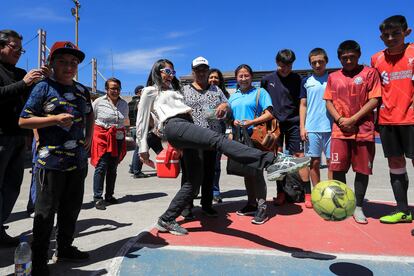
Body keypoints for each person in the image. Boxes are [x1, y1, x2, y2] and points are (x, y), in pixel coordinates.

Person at [136, 58, 310, 236]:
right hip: (173, 126)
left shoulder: (176, 90)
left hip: (187, 129)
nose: (170, 74)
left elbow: (204, 110)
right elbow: (141, 121)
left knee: (194, 181)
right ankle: (273, 161)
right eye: (166, 71)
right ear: (157, 72)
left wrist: (184, 140)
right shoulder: (151, 91)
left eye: (172, 71)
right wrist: (143, 149)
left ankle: (167, 218)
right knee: (218, 141)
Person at [19, 41, 93, 275]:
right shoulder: (43, 87)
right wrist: (53, 119)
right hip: (50, 163)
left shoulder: (82, 90)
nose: (69, 66)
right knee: (45, 213)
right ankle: (39, 260)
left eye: (73, 63)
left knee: (71, 210)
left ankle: (64, 248)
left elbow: (90, 113)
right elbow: (23, 120)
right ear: (52, 63)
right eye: (62, 62)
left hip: (77, 161)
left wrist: (89, 137)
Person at [324, 40, 381, 224]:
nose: (348, 61)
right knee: (338, 169)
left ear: (358, 55)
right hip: (340, 130)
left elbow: (374, 100)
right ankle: (342, 205)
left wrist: (353, 119)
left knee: (362, 170)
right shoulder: (333, 76)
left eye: (351, 57)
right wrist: (340, 120)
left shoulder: (369, 73)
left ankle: (358, 207)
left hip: (363, 129)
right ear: (339, 58)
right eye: (344, 58)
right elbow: (329, 101)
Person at [0, 29, 47, 247]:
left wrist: (41, 80)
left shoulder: (19, 73)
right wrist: (24, 83)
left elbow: (29, 103)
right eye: (14, 47)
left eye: (21, 48)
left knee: (12, 186)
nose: (19, 52)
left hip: (18, 137)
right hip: (1, 137)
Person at [371, 15, 414, 225]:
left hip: (412, 119)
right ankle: (403, 210)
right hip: (387, 120)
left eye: (396, 33)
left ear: (407, 32)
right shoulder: (376, 59)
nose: (391, 38)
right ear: (381, 37)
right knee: (395, 164)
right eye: (386, 35)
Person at [261, 49, 312, 207]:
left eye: (289, 65)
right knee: (277, 158)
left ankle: (308, 194)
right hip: (274, 123)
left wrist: (304, 124)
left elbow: (302, 103)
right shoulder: (267, 79)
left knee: (299, 155)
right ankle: (280, 193)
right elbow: (263, 102)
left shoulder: (298, 79)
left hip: (294, 122)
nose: (285, 68)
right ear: (277, 63)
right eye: (282, 65)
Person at [181, 57, 229, 219]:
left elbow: (227, 105)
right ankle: (186, 205)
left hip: (211, 138)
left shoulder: (216, 90)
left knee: (209, 173)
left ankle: (207, 205)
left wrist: (224, 106)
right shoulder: (184, 90)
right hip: (191, 139)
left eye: (204, 70)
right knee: (189, 174)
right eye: (198, 70)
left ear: (208, 71)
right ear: (193, 72)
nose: (201, 73)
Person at [229, 64, 274, 224]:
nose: (243, 78)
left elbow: (269, 113)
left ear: (251, 77)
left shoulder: (260, 93)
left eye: (246, 75)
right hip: (240, 139)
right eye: (240, 76)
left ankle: (262, 207)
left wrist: (252, 122)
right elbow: (230, 115)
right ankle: (251, 203)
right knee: (247, 172)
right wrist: (232, 121)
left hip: (255, 137)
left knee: (257, 172)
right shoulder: (233, 96)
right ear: (236, 78)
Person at [299, 48, 333, 207]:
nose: (318, 64)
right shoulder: (306, 81)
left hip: (332, 128)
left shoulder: (333, 78)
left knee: (333, 163)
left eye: (320, 61)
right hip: (312, 128)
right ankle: (318, 194)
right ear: (310, 64)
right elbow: (303, 104)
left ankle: (331, 195)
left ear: (326, 61)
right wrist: (302, 127)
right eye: (314, 62)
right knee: (314, 163)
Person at [91, 78, 129, 210]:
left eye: (118, 88)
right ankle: (97, 197)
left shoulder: (124, 104)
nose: (115, 91)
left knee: (113, 168)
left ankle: (109, 195)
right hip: (102, 137)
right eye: (112, 88)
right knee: (101, 166)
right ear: (107, 89)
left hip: (117, 137)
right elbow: (91, 118)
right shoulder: (98, 102)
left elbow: (124, 121)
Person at [129, 85, 163, 178]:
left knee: (139, 149)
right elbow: (146, 117)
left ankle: (133, 168)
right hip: (145, 129)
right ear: (138, 92)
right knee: (143, 149)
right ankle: (136, 171)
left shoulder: (131, 103)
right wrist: (153, 127)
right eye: (142, 90)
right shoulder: (142, 102)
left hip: (134, 128)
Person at [208, 68, 230, 204]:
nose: (213, 80)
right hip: (202, 131)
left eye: (216, 77)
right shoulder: (200, 91)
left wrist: (225, 109)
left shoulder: (223, 94)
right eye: (210, 77)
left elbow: (229, 114)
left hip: (218, 131)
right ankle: (200, 189)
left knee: (215, 164)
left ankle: (215, 190)